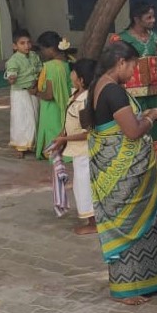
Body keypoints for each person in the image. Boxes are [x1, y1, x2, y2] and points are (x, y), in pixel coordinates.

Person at [85, 41, 157, 305]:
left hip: (116, 172)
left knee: (142, 222)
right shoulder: (113, 92)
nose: (133, 73)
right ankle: (128, 288)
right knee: (129, 227)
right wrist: (154, 117)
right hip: (124, 175)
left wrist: (145, 113)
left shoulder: (98, 86)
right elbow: (132, 132)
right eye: (132, 67)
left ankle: (153, 278)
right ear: (120, 63)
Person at [109, 2, 157, 176]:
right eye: (149, 17)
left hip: (154, 94)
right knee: (135, 132)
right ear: (136, 19)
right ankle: (137, 175)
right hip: (131, 96)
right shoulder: (119, 39)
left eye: (153, 16)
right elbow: (115, 68)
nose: (154, 20)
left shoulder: (155, 37)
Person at [53, 59, 98, 235]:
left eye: (73, 72)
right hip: (77, 149)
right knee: (81, 185)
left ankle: (93, 222)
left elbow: (89, 132)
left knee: (85, 185)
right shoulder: (76, 95)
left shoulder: (85, 101)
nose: (70, 74)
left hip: (85, 151)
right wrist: (62, 135)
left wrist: (65, 139)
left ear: (81, 79)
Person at [34, 31, 73, 160]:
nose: (42, 53)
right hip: (66, 104)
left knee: (52, 129)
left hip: (52, 108)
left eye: (42, 49)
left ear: (50, 49)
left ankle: (53, 152)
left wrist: (35, 92)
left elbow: (49, 95)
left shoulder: (50, 66)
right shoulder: (68, 63)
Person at [4, 29, 42, 158]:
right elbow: (11, 73)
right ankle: (20, 146)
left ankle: (33, 143)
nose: (26, 46)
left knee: (35, 116)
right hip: (20, 93)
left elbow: (39, 69)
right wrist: (11, 78)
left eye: (28, 42)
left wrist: (37, 83)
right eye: (22, 43)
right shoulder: (13, 60)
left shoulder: (34, 56)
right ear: (15, 46)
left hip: (33, 91)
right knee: (21, 119)